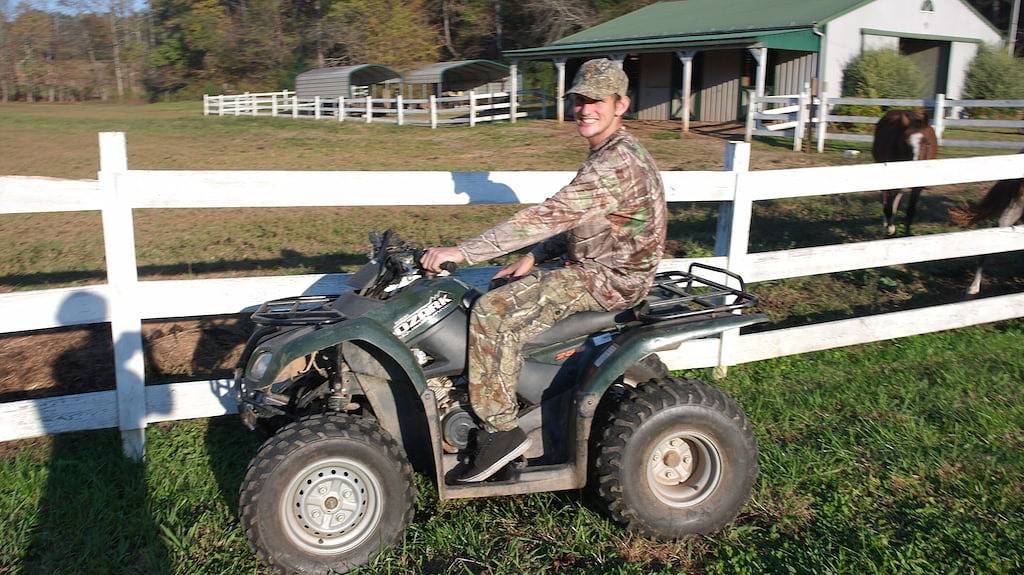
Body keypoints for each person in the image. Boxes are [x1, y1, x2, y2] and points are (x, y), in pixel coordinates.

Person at [421, 58, 667, 483]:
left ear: (620, 104)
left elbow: (548, 215)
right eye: (578, 100)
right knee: (497, 289)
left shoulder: (616, 164)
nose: (585, 109)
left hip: (609, 280)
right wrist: (536, 257)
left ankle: (500, 433)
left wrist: (462, 251)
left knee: (492, 312)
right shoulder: (610, 153)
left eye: (596, 101)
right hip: (594, 265)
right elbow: (583, 221)